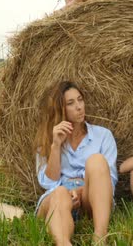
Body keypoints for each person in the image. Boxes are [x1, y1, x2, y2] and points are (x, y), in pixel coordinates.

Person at [35, 81, 118, 245]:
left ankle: (100, 237)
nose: (79, 106)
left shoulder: (103, 136)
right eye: (71, 103)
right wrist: (56, 146)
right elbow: (48, 183)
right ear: (60, 109)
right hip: (57, 199)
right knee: (59, 192)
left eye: (80, 100)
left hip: (91, 199)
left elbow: (110, 182)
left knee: (97, 161)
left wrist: (81, 190)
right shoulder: (48, 140)